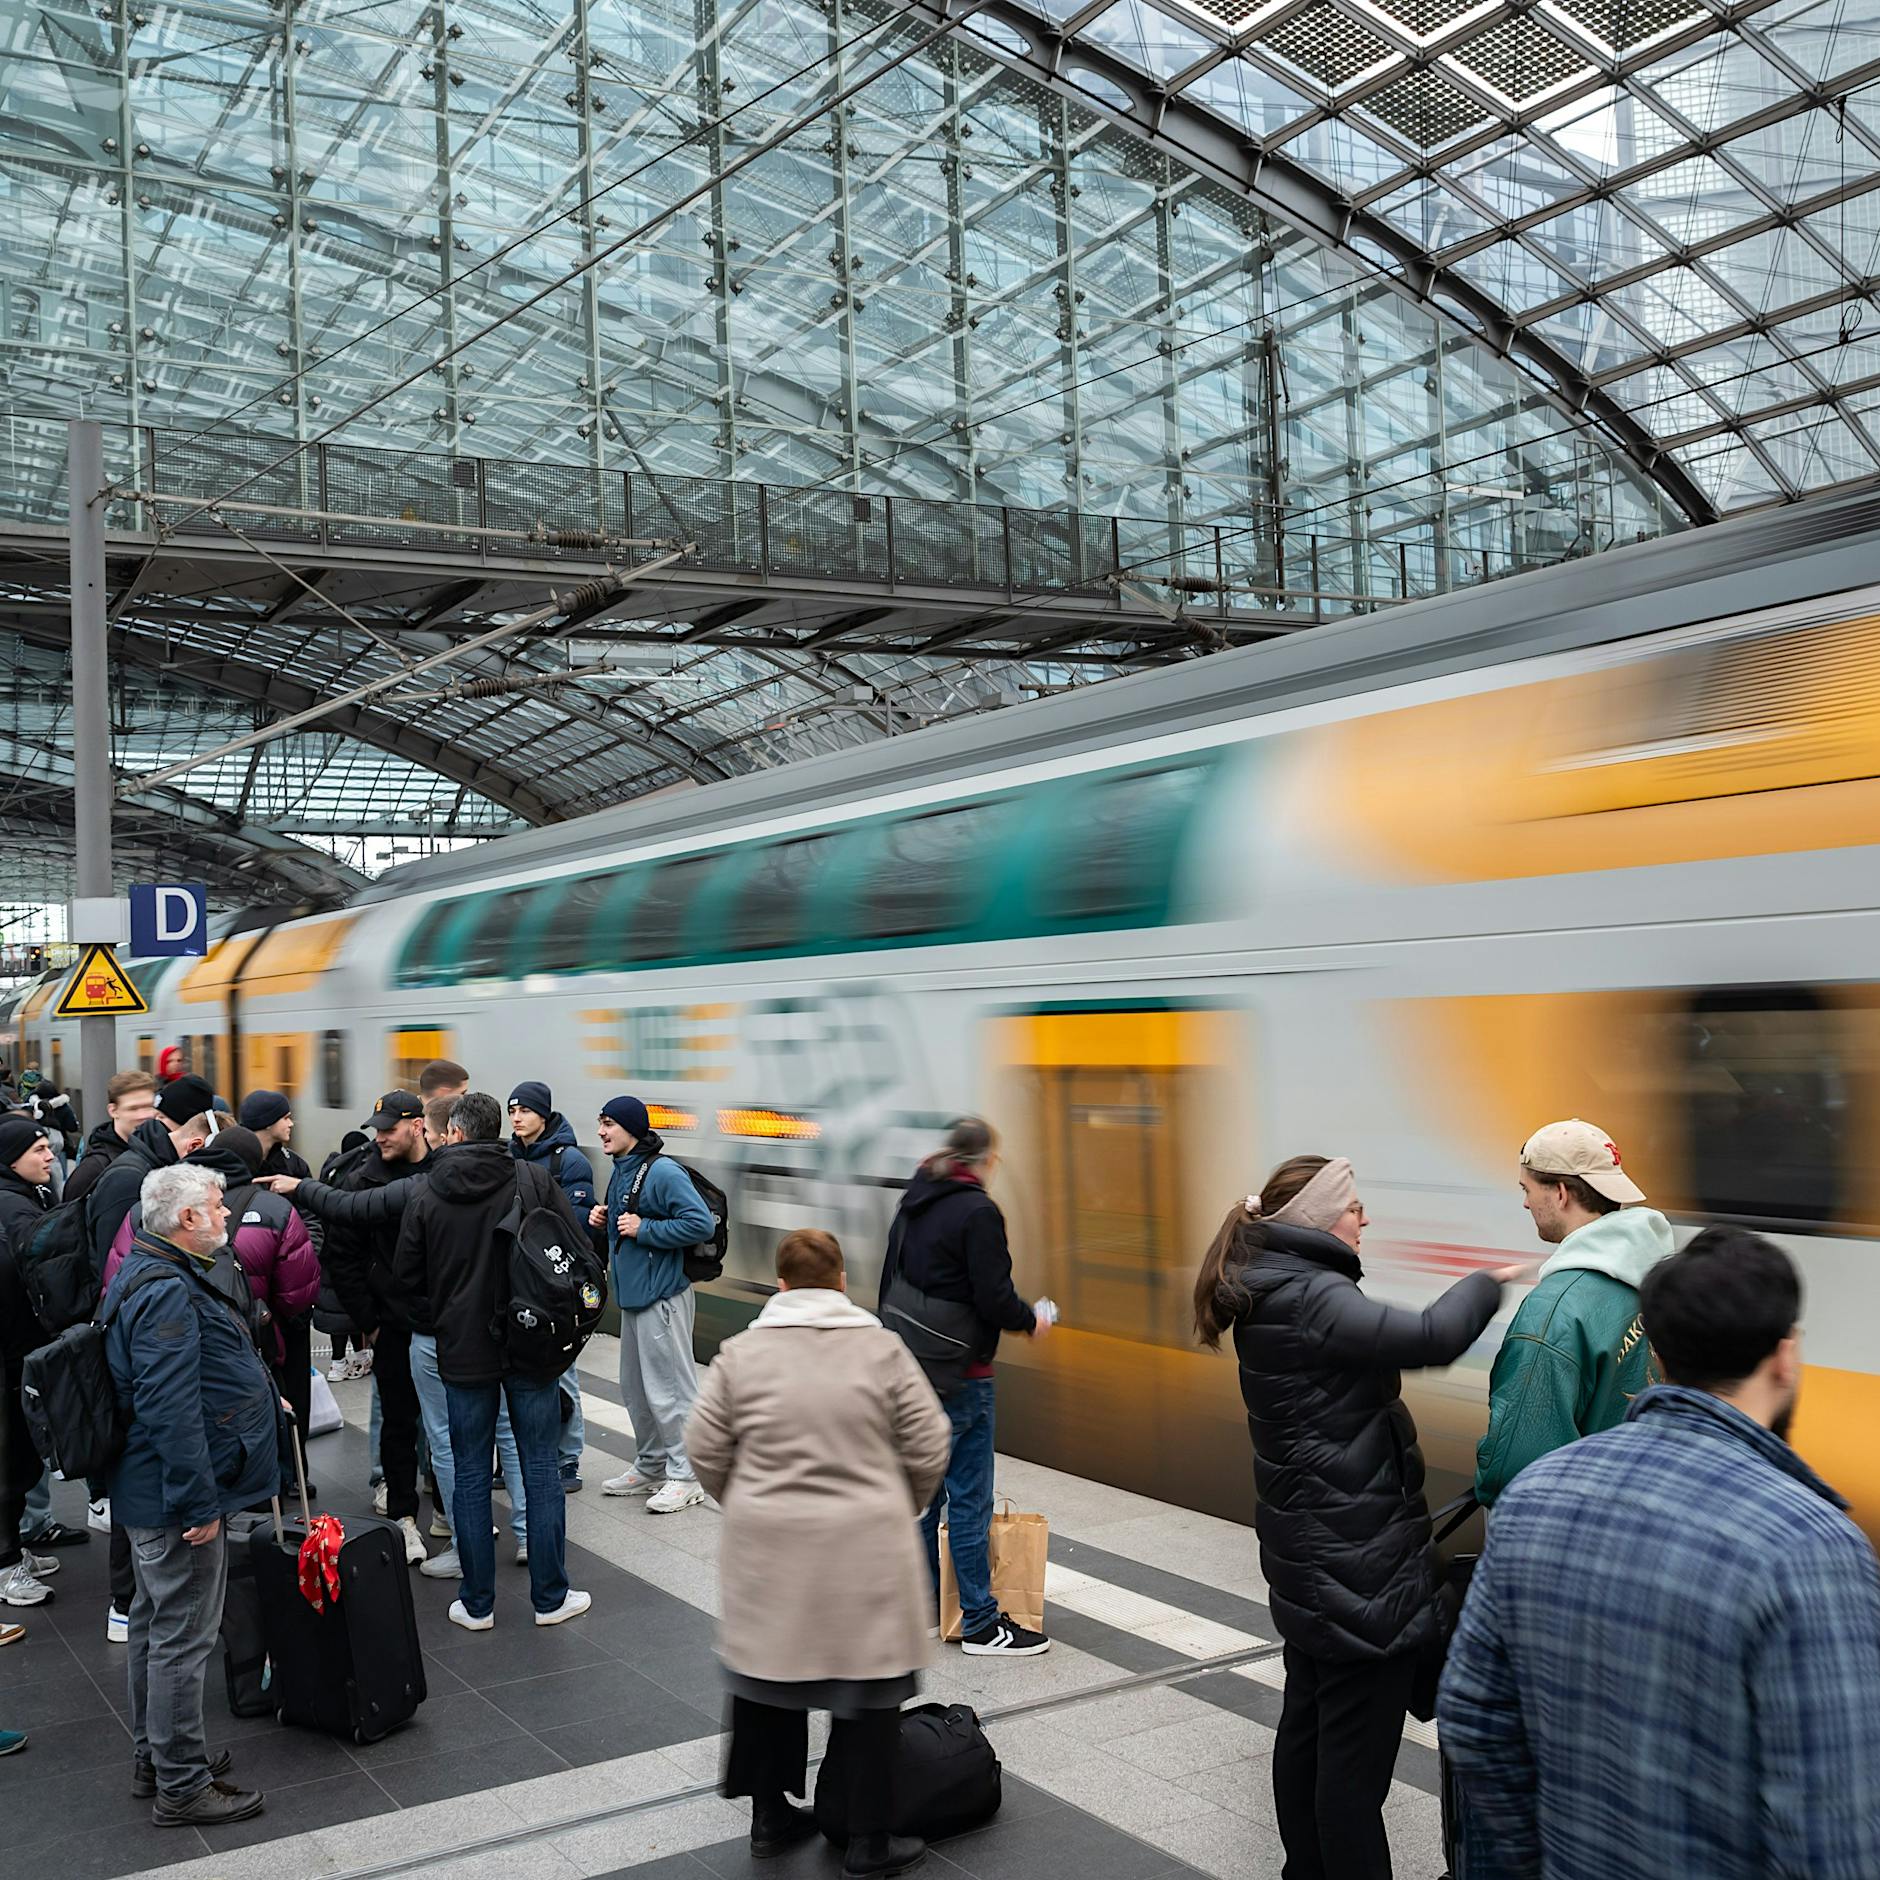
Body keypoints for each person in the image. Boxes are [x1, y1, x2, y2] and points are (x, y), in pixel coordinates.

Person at [1441, 1228, 1880, 1878]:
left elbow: (1474, 1720)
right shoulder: (1810, 1548)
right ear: (1784, 1357)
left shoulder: (1534, 1496)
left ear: (1660, 1359)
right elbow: (1833, 1833)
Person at [1192, 1153, 1522, 1880]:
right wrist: (1484, 1284)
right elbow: (1432, 1337)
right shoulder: (1311, 1297)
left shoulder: (1276, 1288)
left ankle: (1304, 1871)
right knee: (1351, 1774)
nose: (1364, 1217)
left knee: (1309, 1729)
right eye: (1353, 1207)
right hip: (1357, 1571)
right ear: (1317, 1219)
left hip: (1317, 1560)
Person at [690, 1228, 950, 1878]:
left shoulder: (740, 1355)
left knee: (766, 1691)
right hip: (864, 1554)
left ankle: (770, 1819)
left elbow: (702, 1446)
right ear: (840, 1282)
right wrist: (902, 1503)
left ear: (780, 1286)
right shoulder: (881, 1350)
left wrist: (746, 1502)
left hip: (768, 1556)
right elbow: (930, 1441)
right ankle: (868, 1842)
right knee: (868, 1697)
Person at [105, 1162, 276, 1826]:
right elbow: (168, 1404)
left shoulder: (150, 1270)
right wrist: (198, 1503)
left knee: (154, 1624)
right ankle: (182, 1784)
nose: (228, 1213)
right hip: (173, 1492)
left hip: (151, 1486)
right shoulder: (166, 1290)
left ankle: (158, 1756)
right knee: (181, 1634)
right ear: (186, 1220)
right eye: (217, 1206)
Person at [392, 1092, 591, 1629]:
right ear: (497, 1129)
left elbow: (405, 1280)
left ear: (454, 1133)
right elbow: (577, 1257)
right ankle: (551, 1598)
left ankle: (477, 1603)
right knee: (541, 1470)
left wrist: (446, 1319)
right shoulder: (532, 1180)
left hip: (462, 1354)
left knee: (472, 1471)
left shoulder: (427, 1192)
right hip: (531, 1350)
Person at [884, 1117, 1050, 1657]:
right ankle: (979, 1622)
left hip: (916, 1368)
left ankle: (927, 1605)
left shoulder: (916, 1199)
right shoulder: (978, 1211)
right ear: (987, 1161)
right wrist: (1033, 1320)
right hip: (963, 1375)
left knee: (926, 1495)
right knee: (970, 1499)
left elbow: (891, 1282)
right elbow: (994, 1298)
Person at [1475, 1119, 1673, 1506]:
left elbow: (1516, 1466)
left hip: (1585, 1523)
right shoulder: (1663, 1272)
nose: (1525, 1203)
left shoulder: (1554, 1311)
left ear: (1562, 1193)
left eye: (1527, 1189)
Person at [104, 1127, 321, 1444]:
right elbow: (297, 1297)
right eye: (219, 1207)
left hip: (164, 1390)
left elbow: (114, 1283)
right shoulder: (275, 1210)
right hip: (251, 1357)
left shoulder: (142, 1212)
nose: (226, 1212)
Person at [319, 1093, 432, 1564]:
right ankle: (404, 1516)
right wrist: (371, 1322)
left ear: (419, 1125)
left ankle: (447, 1508)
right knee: (399, 1422)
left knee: (450, 1426)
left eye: (389, 1127)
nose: (379, 1136)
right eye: (377, 1127)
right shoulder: (360, 1179)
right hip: (393, 1324)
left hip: (446, 1320)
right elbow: (341, 1259)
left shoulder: (444, 1170)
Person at [589, 1096, 713, 1512]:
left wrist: (646, 1229)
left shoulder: (662, 1171)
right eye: (600, 1123)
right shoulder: (623, 1169)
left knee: (672, 1391)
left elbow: (699, 1222)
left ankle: (687, 1475)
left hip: (663, 1297)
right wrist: (607, 1219)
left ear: (632, 1128)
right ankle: (651, 1465)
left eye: (609, 1123)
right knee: (637, 1390)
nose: (602, 1131)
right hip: (635, 1297)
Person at [508, 1081, 595, 1494]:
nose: (517, 1118)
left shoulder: (569, 1161)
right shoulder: (507, 1156)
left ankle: (567, 1456)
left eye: (525, 1110)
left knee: (564, 1372)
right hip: (518, 1280)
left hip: (555, 1282)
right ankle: (521, 1455)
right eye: (512, 1111)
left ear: (544, 1113)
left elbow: (575, 1229)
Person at [0, 1118, 59, 1606]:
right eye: (39, 1149)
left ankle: (13, 1549)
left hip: (19, 1349)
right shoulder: (10, 1206)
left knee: (20, 1456)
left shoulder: (27, 1196)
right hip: (8, 1353)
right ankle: (4, 1565)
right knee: (8, 1460)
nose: (50, 1156)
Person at [65, 1070, 159, 1205]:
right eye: (133, 1109)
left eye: (149, 1106)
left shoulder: (162, 1153)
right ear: (113, 1111)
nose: (144, 1115)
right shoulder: (92, 1170)